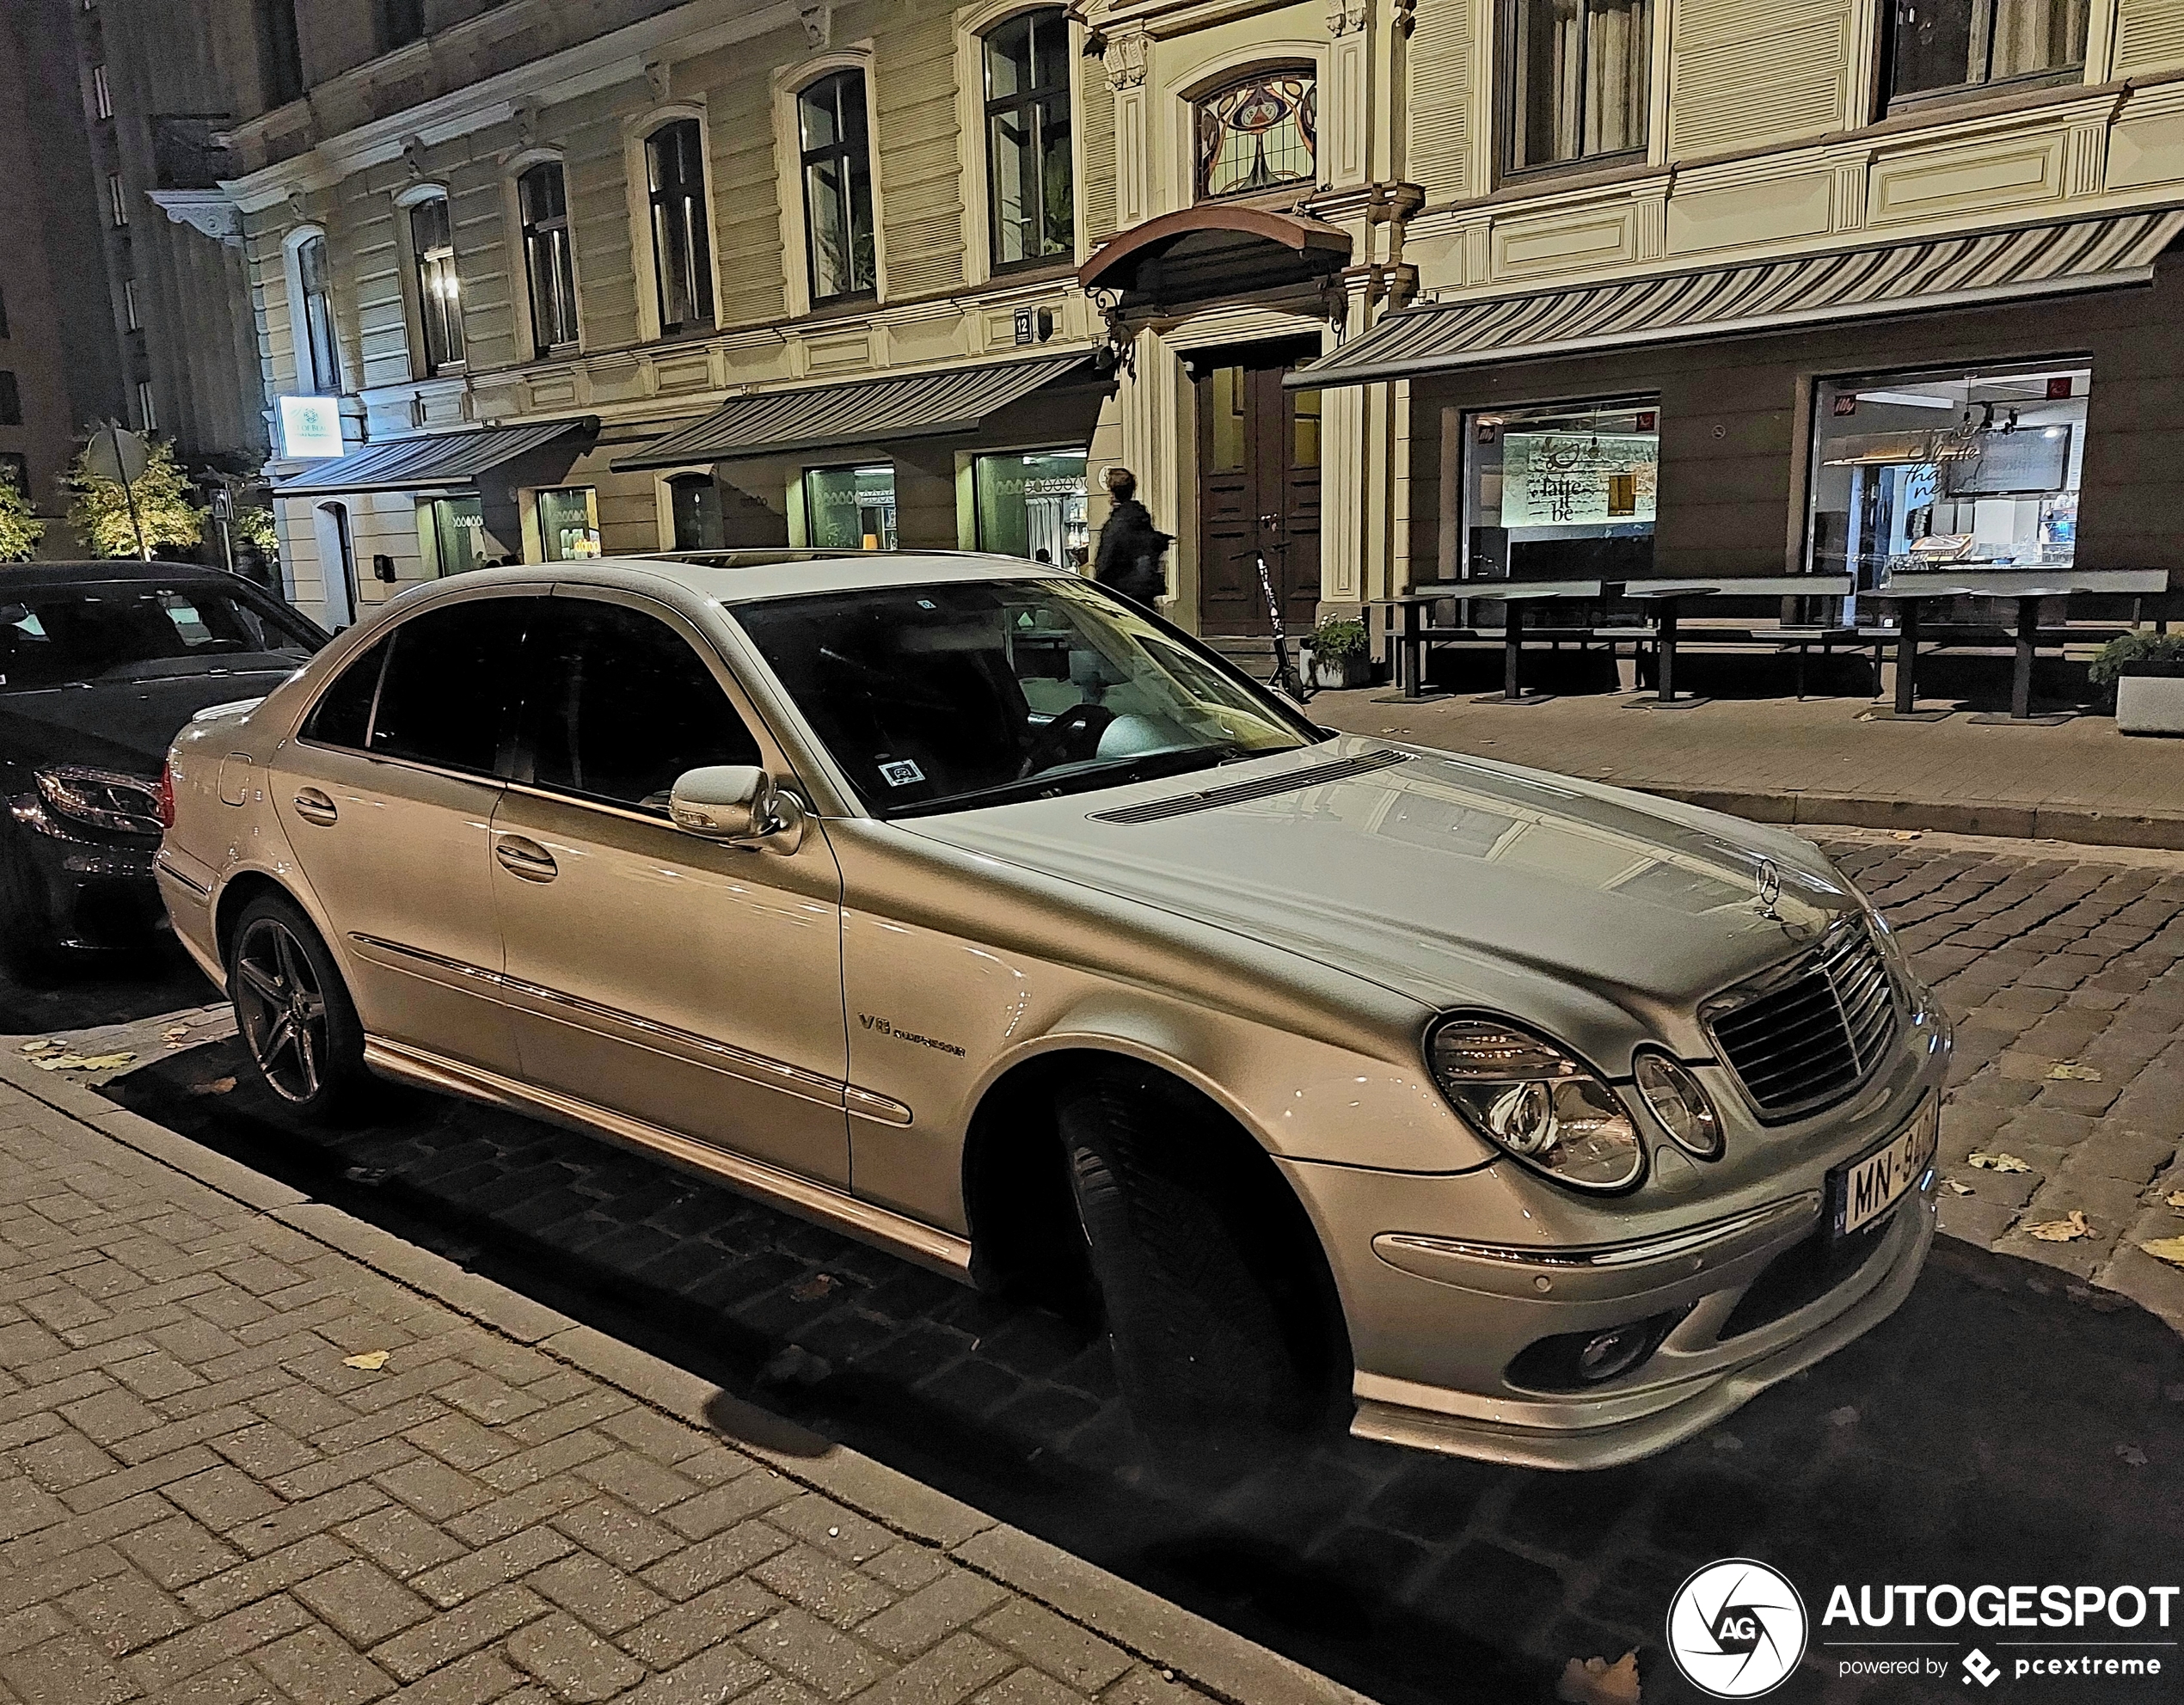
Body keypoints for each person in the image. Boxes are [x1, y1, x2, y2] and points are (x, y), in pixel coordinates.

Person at [1091, 467, 1170, 608]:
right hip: (1146, 594)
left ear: (1112, 493)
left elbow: (1105, 563)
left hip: (1122, 596)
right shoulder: (1142, 520)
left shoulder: (1117, 524)